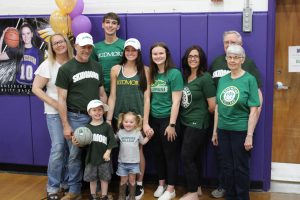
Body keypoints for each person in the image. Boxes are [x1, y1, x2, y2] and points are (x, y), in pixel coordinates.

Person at [209, 30, 263, 198]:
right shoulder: (223, 80)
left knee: (240, 168)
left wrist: (249, 135)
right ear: (226, 59)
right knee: (226, 167)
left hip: (241, 130)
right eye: (230, 57)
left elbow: (254, 108)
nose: (232, 60)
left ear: (242, 60)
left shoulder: (249, 79)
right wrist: (215, 131)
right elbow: (218, 107)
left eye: (236, 57)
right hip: (223, 130)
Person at [55, 32, 107, 200]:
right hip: (76, 117)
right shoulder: (66, 69)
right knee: (74, 155)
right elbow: (61, 99)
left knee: (97, 154)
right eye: (83, 46)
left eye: (89, 47)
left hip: (96, 118)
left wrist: (103, 115)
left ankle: (97, 191)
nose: (86, 50)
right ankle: (74, 190)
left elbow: (102, 93)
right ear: (76, 46)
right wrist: (65, 125)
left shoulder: (97, 66)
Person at [107, 38, 152, 199]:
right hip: (120, 117)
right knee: (120, 149)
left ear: (138, 52)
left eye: (134, 50)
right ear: (124, 52)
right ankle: (124, 184)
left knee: (138, 149)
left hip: (137, 118)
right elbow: (112, 96)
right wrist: (107, 119)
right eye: (128, 50)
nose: (130, 53)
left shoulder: (145, 70)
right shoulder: (115, 69)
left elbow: (147, 98)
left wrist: (145, 122)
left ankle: (138, 184)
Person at [32, 33, 74, 200]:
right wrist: (54, 103)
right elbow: (35, 88)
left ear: (66, 43)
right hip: (54, 114)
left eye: (61, 41)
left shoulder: (74, 62)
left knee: (71, 151)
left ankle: (67, 184)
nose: (59, 45)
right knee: (58, 149)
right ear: (51, 47)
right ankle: (53, 187)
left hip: (74, 112)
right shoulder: (47, 65)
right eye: (55, 43)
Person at [179, 46, 216, 200]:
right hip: (185, 122)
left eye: (196, 56)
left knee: (186, 156)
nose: (193, 59)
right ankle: (198, 187)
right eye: (190, 56)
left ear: (201, 59)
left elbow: (212, 106)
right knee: (195, 157)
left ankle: (193, 192)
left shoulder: (205, 78)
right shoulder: (185, 77)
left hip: (198, 123)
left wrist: (199, 115)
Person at [149, 42, 183, 200]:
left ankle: (171, 189)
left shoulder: (174, 74)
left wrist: (172, 124)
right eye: (155, 54)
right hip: (153, 119)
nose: (158, 56)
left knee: (170, 155)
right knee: (157, 153)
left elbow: (176, 101)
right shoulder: (151, 73)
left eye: (161, 53)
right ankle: (161, 184)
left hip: (168, 120)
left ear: (166, 54)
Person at [72, 99, 118, 200]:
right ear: (89, 112)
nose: (97, 112)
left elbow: (112, 141)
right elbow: (82, 145)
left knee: (104, 179)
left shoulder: (107, 127)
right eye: (94, 110)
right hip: (91, 159)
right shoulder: (86, 128)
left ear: (103, 111)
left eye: (100, 109)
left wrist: (108, 151)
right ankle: (92, 196)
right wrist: (77, 143)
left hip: (104, 159)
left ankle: (104, 196)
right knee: (92, 179)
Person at [115, 112, 151, 200]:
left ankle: (132, 197)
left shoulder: (137, 133)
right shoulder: (120, 132)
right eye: (126, 121)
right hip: (122, 163)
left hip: (134, 164)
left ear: (135, 123)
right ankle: (121, 196)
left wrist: (149, 137)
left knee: (132, 180)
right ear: (122, 122)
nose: (128, 124)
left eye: (131, 122)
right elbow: (113, 140)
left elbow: (143, 142)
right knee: (123, 180)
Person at [90, 12, 125, 96]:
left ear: (118, 26)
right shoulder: (95, 47)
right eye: (107, 22)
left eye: (114, 23)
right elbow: (92, 70)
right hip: (102, 90)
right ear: (103, 25)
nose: (110, 25)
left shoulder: (124, 45)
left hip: (120, 89)